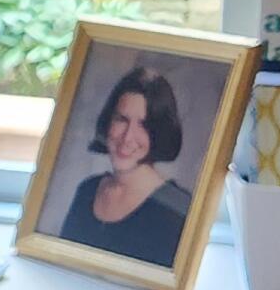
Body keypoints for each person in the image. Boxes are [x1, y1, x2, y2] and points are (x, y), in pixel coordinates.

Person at [54, 63, 193, 268]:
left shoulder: (178, 209)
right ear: (108, 121)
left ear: (160, 132)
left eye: (143, 125)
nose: (128, 137)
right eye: (121, 119)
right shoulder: (88, 190)